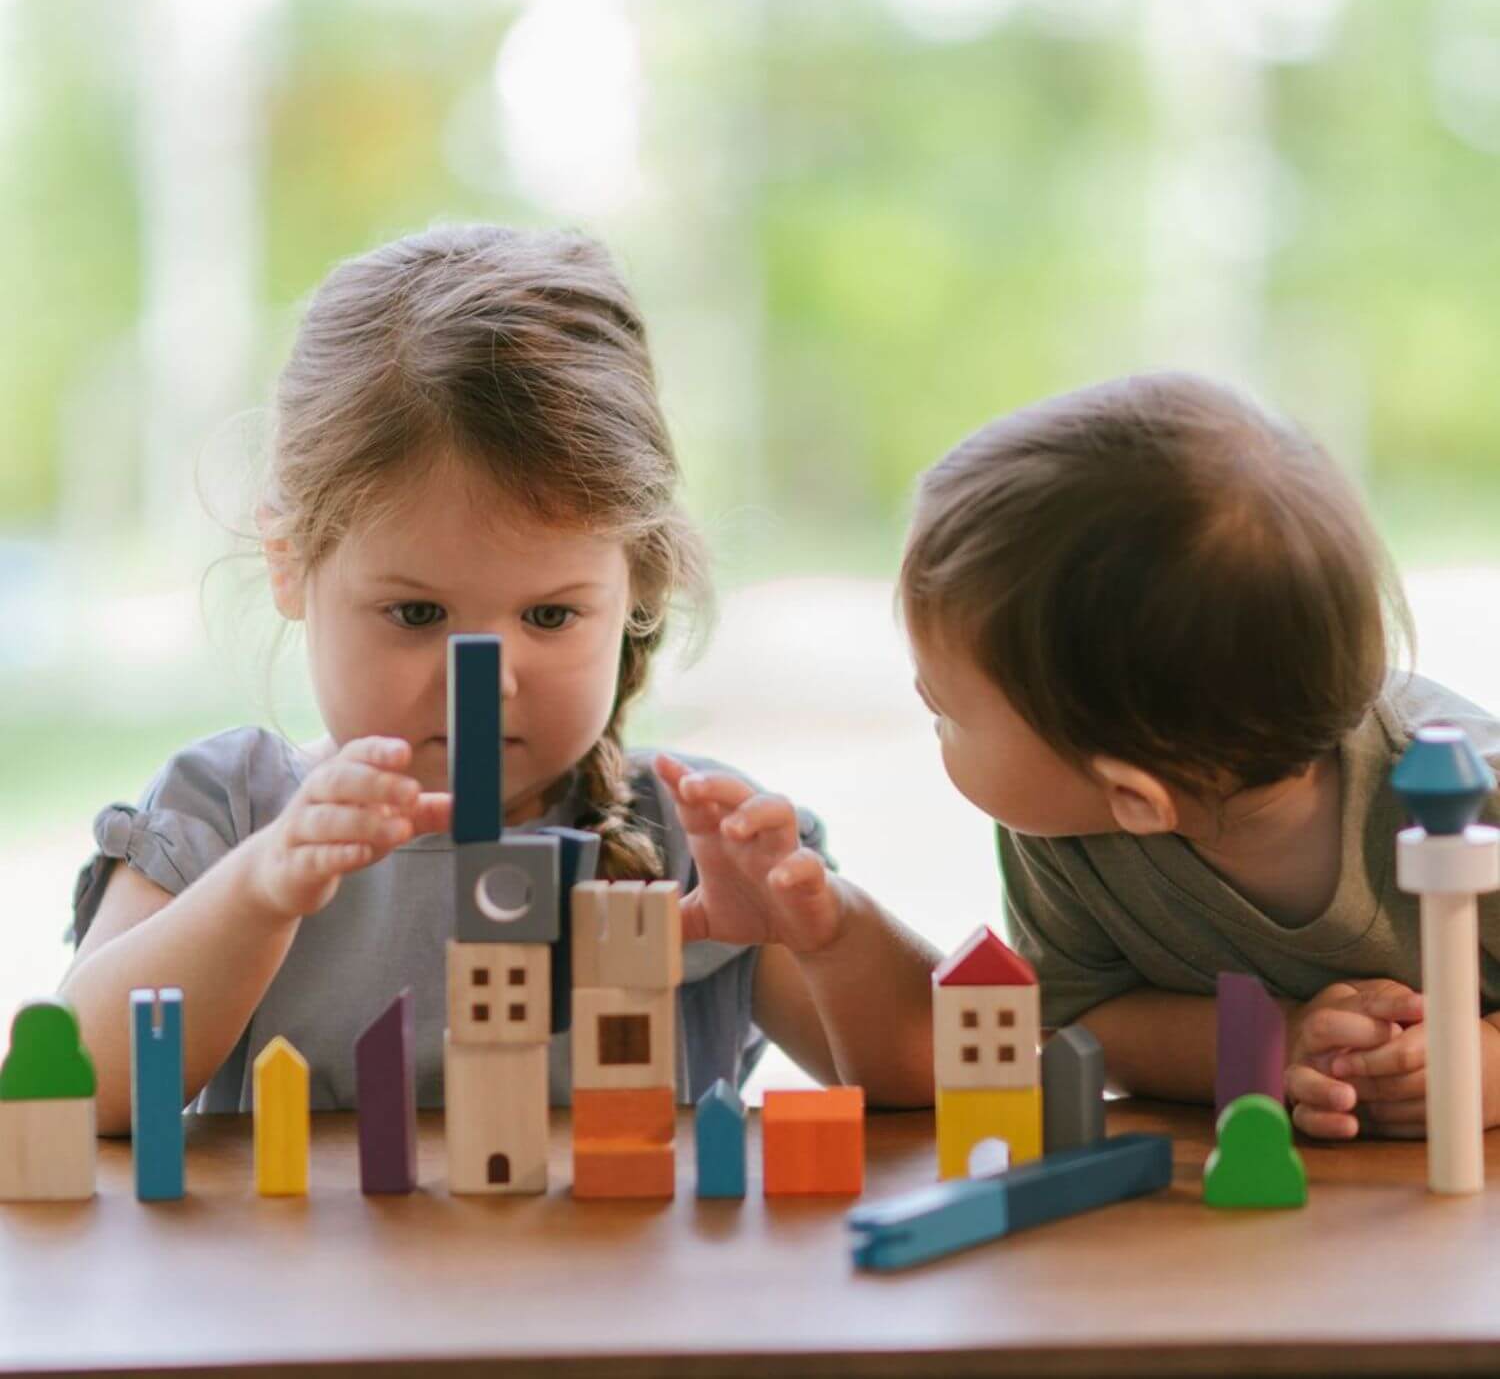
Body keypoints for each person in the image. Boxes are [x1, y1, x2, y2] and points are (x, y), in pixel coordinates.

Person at [63, 224, 938, 1134]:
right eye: (416, 615)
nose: (487, 682)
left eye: (550, 617)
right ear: (290, 562)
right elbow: (75, 1093)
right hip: (303, 1282)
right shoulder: (232, 813)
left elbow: (939, 1078)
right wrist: (256, 893)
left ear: (636, 584)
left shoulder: (690, 841)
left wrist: (825, 927)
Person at [898, 370, 1500, 1141]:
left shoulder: (1466, 794)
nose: (921, 699)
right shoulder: (1062, 823)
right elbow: (1084, 1020)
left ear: (1137, 799)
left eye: (948, 710)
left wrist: (1484, 1067)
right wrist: (1275, 1044)